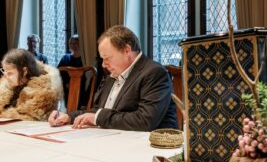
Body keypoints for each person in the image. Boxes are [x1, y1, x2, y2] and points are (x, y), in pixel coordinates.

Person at [48, 25, 178, 131]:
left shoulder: (154, 73)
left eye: (107, 58)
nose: (104, 64)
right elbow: (98, 110)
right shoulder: (114, 73)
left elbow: (145, 121)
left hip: (149, 149)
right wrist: (68, 116)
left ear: (127, 50)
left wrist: (97, 118)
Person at [0, 48, 63, 121]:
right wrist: (6, 89)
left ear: (24, 71)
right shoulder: (8, 84)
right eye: (4, 71)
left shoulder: (43, 90)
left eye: (10, 73)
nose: (6, 76)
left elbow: (28, 119)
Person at [57, 35, 86, 107]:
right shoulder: (65, 58)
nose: (74, 45)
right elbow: (59, 71)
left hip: (82, 88)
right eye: (71, 43)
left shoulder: (85, 59)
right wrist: (67, 83)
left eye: (76, 43)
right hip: (67, 88)